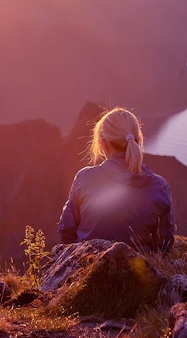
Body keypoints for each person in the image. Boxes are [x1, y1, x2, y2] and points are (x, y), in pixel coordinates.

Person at [58, 107, 175, 252]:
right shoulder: (159, 187)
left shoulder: (85, 178)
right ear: (138, 140)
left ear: (102, 142)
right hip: (138, 271)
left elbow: (66, 231)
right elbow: (165, 243)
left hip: (87, 264)